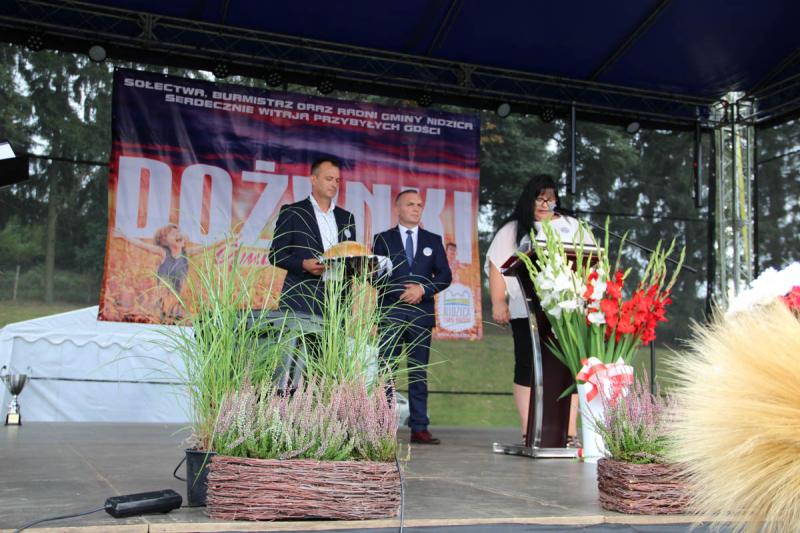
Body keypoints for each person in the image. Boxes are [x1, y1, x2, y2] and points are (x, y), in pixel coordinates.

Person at [484, 174, 593, 446]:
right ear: (528, 200)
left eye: (549, 199)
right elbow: (497, 266)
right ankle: (529, 432)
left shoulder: (573, 226)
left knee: (571, 368)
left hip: (569, 312)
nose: (544, 204)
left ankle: (569, 433)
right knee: (527, 366)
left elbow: (593, 261)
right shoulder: (513, 229)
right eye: (539, 198)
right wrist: (498, 302)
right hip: (528, 310)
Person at [373, 190, 452, 445]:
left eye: (419, 205)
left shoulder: (433, 240)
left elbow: (445, 276)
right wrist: (402, 292)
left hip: (421, 316)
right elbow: (373, 276)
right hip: (391, 313)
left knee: (418, 373)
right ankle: (382, 426)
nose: (416, 208)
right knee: (386, 371)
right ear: (397, 208)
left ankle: (420, 427)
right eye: (410, 204)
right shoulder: (382, 239)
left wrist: (422, 290)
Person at [269, 158, 356, 316]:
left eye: (337, 180)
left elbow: (350, 257)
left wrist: (361, 264)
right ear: (313, 179)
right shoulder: (293, 212)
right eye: (329, 179)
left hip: (338, 300)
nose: (334, 184)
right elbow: (276, 255)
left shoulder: (347, 218)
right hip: (302, 297)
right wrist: (303, 264)